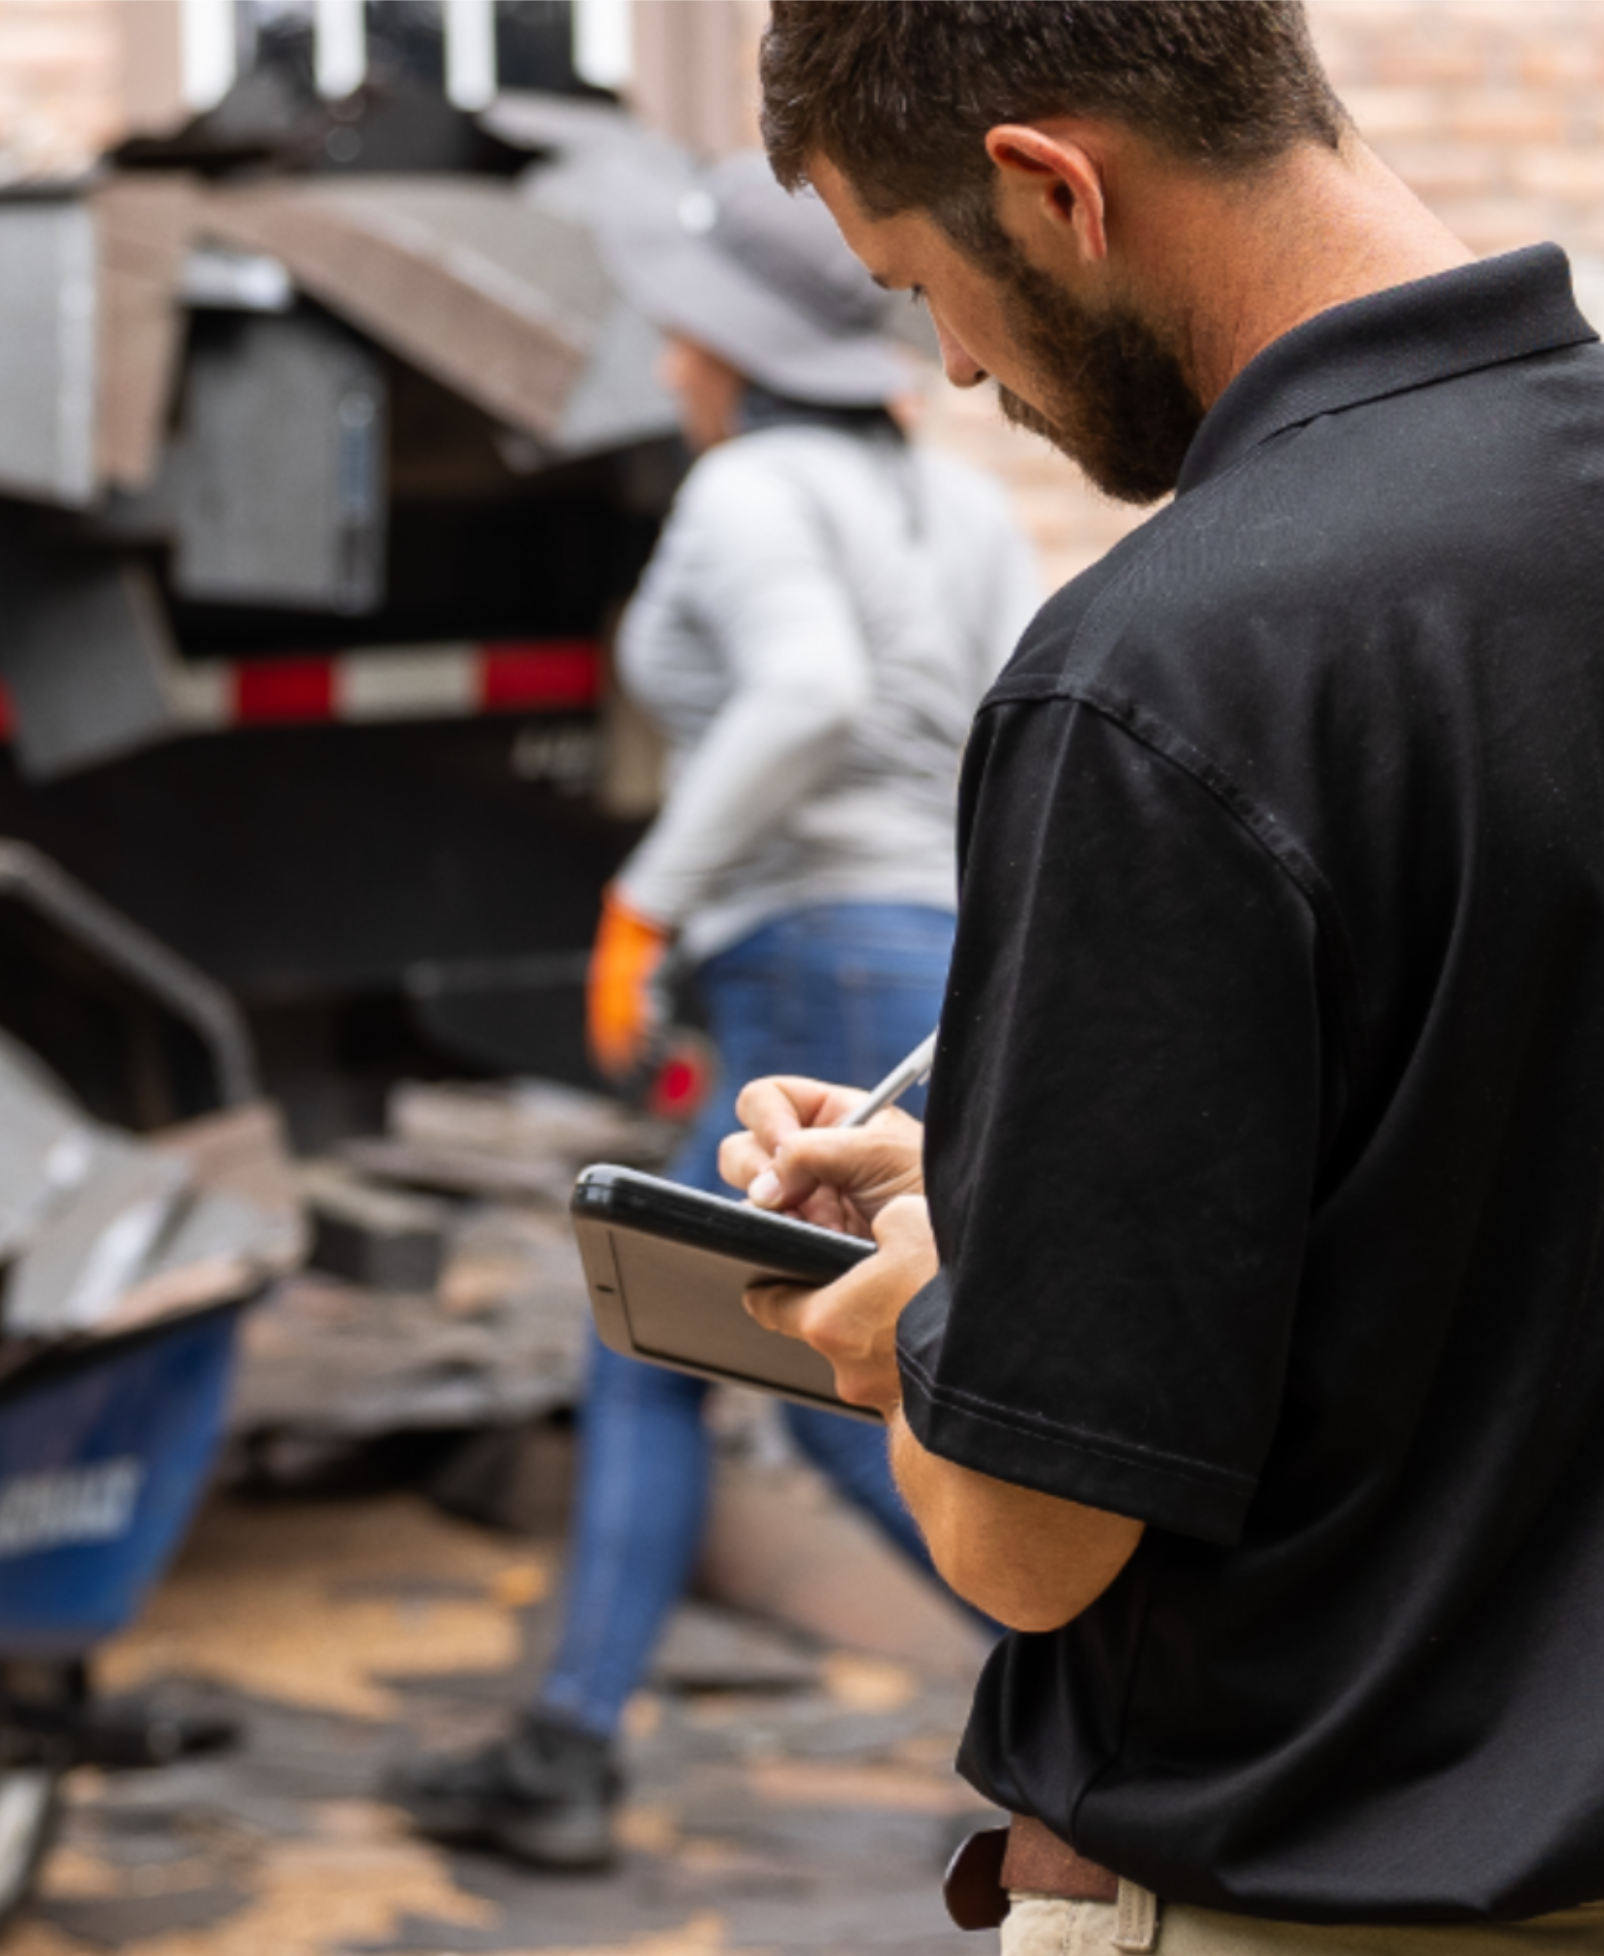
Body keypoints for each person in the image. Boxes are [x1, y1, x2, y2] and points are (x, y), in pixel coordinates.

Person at [714, 0, 1604, 1951]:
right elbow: (1487, 1218)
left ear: (1050, 190)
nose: (950, 362)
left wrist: (917, 1345)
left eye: (923, 285)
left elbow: (1033, 1544)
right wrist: (1003, 1227)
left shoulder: (1164, 665)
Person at [384, 149, 1043, 1873]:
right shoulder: (962, 509)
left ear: (718, 343)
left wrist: (647, 896)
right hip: (932, 962)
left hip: (806, 962)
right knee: (796, 1350)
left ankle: (576, 1748)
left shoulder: (747, 496)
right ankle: (1061, 1666)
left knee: (678, 1334)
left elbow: (807, 692)